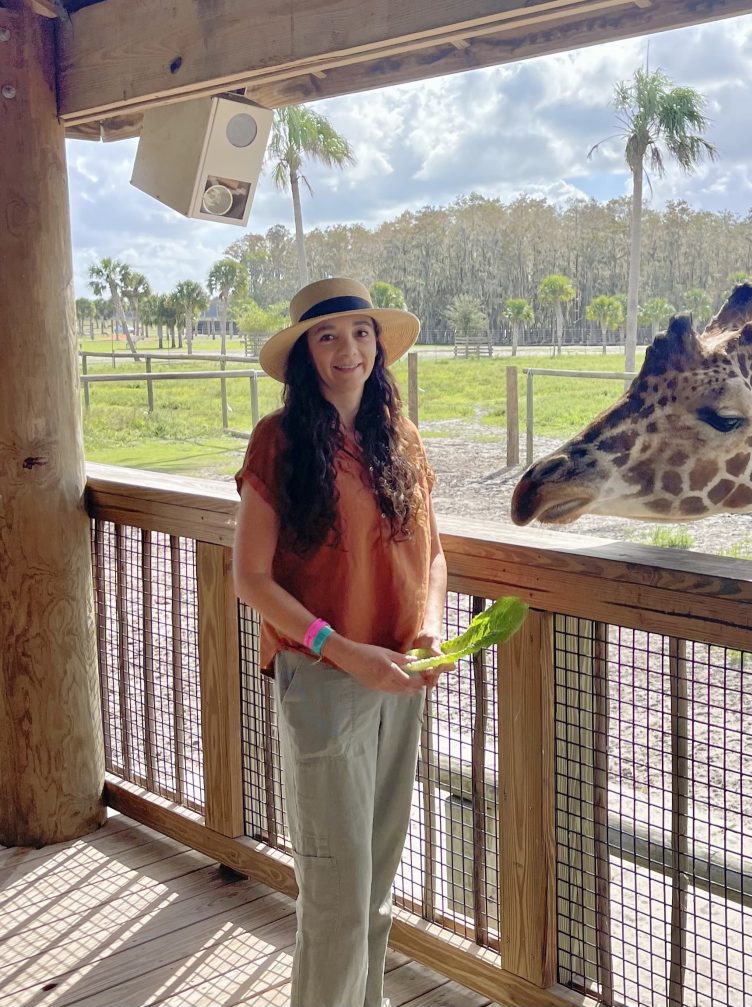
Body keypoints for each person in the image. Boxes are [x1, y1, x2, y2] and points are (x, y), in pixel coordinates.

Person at [233, 277, 449, 1007]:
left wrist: (428, 625)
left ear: (377, 345)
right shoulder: (279, 441)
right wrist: (343, 649)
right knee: (335, 893)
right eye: (327, 336)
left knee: (378, 886)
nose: (347, 348)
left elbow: (436, 552)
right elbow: (252, 579)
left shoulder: (401, 437)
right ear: (304, 355)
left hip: (399, 675)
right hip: (326, 679)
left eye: (359, 332)